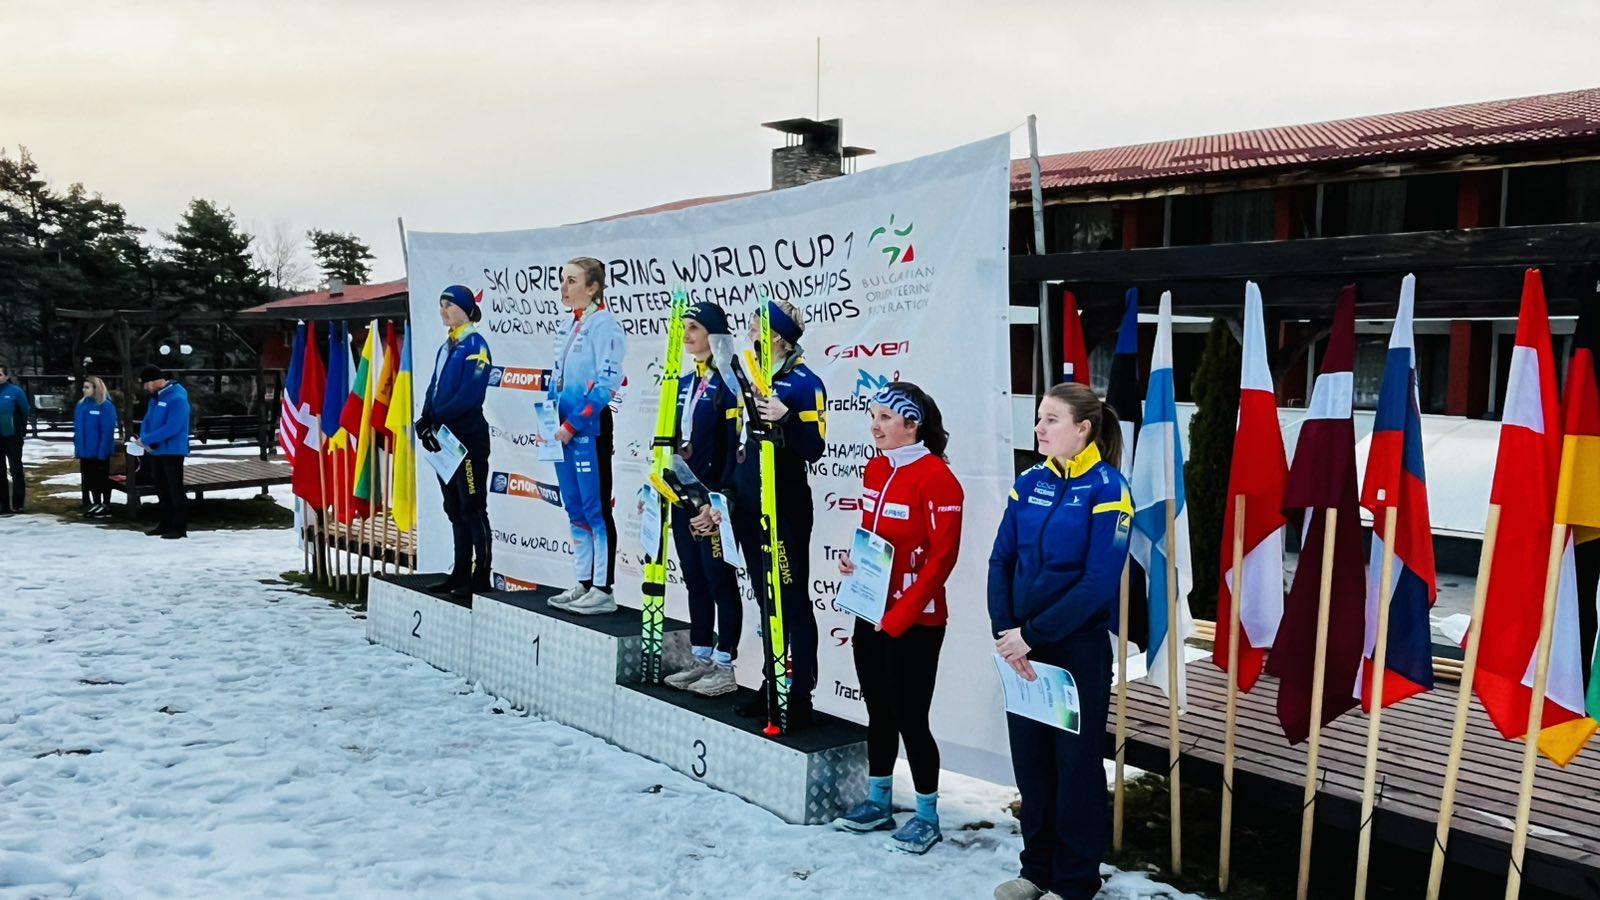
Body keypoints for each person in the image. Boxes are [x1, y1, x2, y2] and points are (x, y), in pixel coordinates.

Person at [988, 382, 1132, 900]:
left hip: (1075, 650)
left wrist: (1032, 634)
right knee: (1032, 764)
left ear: (1082, 428)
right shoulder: (1029, 482)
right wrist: (1007, 631)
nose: (1039, 428)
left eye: (1051, 419)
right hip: (1020, 646)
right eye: (1039, 418)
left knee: (1074, 767)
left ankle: (1074, 881)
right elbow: (1001, 559)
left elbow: (1098, 582)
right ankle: (1036, 870)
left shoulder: (1109, 488)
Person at [831, 382, 964, 855]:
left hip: (916, 621)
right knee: (878, 710)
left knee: (911, 717)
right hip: (870, 610)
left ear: (913, 424)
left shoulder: (937, 478)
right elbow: (873, 535)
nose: (875, 426)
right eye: (873, 416)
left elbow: (942, 559)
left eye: (886, 418)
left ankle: (927, 816)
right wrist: (855, 563)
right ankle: (878, 800)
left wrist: (900, 616)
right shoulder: (877, 466)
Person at [719, 298, 828, 728]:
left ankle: (799, 693)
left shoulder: (805, 383)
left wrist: (788, 419)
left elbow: (814, 448)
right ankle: (773, 682)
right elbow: (740, 442)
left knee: (791, 598)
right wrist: (727, 492)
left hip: (784, 505)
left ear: (777, 337)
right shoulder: (752, 377)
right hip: (750, 500)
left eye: (755, 326)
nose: (749, 333)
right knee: (768, 599)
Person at [660, 301, 743, 697]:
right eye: (684, 327)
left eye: (694, 327)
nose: (687, 335)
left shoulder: (729, 382)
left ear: (716, 333)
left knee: (718, 579)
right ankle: (701, 658)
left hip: (714, 502)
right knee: (694, 577)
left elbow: (733, 450)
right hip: (684, 497)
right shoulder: (683, 382)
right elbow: (671, 441)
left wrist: (718, 501)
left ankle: (725, 666)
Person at [546, 257, 628, 615]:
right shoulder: (568, 325)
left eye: (572, 281)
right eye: (562, 280)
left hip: (588, 429)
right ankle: (583, 581)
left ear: (593, 287)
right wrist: (549, 420)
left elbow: (607, 385)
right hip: (561, 429)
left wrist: (572, 425)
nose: (564, 288)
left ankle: (603, 588)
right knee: (575, 507)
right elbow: (557, 378)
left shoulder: (604, 325)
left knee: (595, 508)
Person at [416, 285, 494, 598]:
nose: (443, 311)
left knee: (473, 507)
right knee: (454, 507)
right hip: (445, 440)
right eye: (441, 305)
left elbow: (469, 396)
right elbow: (434, 386)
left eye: (450, 305)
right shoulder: (446, 346)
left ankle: (481, 575)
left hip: (468, 438)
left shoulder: (476, 345)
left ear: (466, 309)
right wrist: (425, 419)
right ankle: (460, 570)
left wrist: (437, 418)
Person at [135, 365, 191, 539]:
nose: (145, 388)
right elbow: (147, 420)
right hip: (156, 450)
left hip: (172, 450)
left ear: (154, 381)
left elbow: (174, 427)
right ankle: (165, 524)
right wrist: (144, 438)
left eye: (146, 383)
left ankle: (179, 527)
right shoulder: (155, 398)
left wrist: (149, 439)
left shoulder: (177, 398)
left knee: (175, 489)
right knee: (162, 489)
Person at [74, 376, 118, 517]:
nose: (84, 390)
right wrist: (78, 448)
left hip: (99, 451)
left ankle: (105, 504)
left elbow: (107, 431)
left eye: (87, 387)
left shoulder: (105, 406)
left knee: (101, 478)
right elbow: (78, 429)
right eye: (84, 387)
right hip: (85, 450)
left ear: (96, 388)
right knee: (90, 479)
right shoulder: (81, 405)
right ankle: (96, 502)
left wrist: (102, 452)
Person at [0, 364, 29, 515]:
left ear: (6, 376)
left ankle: (18, 504)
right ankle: (3, 505)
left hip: (12, 436)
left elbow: (25, 410)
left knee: (15, 468)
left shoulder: (15, 391)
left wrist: (21, 429)